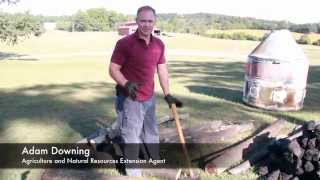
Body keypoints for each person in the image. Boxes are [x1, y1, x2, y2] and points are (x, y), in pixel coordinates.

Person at [109, 5, 183, 176]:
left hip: (148, 97)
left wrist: (167, 93)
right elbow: (113, 69)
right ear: (137, 21)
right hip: (129, 97)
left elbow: (162, 70)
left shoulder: (159, 44)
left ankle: (153, 159)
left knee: (151, 130)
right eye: (143, 21)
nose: (146, 25)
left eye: (150, 21)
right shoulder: (124, 43)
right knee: (131, 135)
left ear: (154, 22)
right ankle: (133, 173)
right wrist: (126, 84)